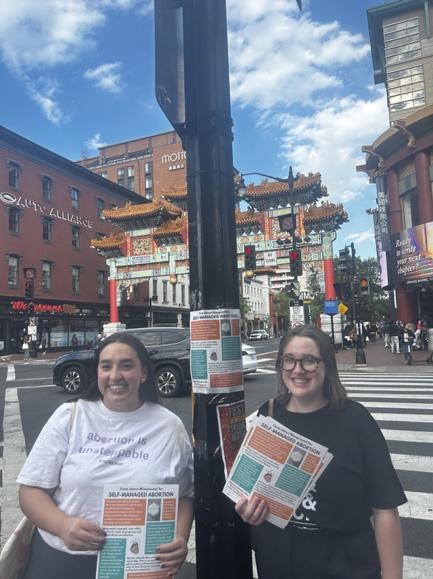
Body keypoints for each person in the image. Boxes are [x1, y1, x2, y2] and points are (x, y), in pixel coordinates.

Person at [17, 332, 194, 579]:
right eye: (106, 366)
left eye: (126, 366)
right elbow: (30, 491)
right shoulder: (71, 416)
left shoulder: (169, 426)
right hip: (62, 560)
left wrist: (180, 538)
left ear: (144, 373)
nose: (115, 376)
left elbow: (185, 494)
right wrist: (63, 525)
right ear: (97, 372)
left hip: (138, 563)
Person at [235, 325, 406, 579]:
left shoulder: (355, 420)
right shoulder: (268, 413)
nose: (298, 370)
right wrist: (248, 511)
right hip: (279, 557)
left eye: (309, 361)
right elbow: (254, 488)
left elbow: (385, 509)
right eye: (289, 360)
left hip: (343, 558)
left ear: (327, 365)